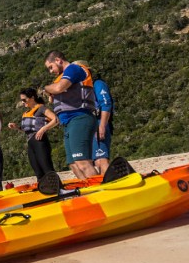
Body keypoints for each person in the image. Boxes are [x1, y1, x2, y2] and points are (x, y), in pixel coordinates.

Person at [43, 50, 99, 178]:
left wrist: (46, 88)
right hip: (68, 123)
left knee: (82, 162)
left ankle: (100, 190)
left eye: (50, 67)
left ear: (58, 60)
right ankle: (87, 190)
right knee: (73, 164)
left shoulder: (73, 69)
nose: (51, 71)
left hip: (79, 118)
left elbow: (58, 88)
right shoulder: (65, 76)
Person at [7, 87, 58, 179]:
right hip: (31, 142)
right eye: (21, 100)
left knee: (47, 167)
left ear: (32, 98)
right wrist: (17, 128)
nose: (23, 102)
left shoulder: (41, 109)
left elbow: (56, 119)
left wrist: (43, 129)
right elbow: (28, 130)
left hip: (40, 141)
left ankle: (58, 187)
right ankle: (44, 189)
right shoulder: (26, 113)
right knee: (37, 170)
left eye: (24, 100)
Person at [74, 61, 115, 175]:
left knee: (101, 160)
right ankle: (101, 184)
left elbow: (106, 104)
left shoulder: (97, 84)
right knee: (92, 162)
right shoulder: (82, 89)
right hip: (88, 126)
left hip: (98, 122)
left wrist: (102, 125)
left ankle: (110, 186)